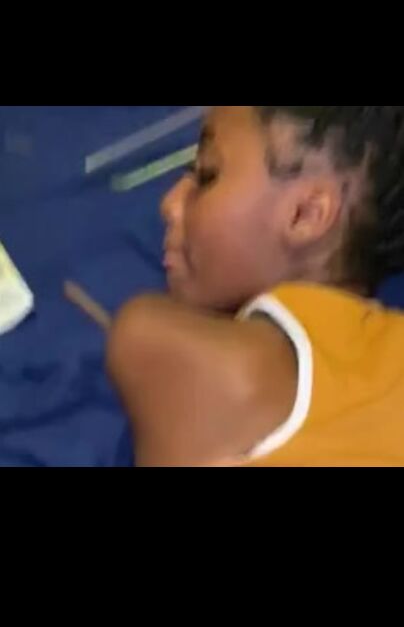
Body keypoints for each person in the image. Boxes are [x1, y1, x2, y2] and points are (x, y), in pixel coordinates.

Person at [107, 106, 404, 467]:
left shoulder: (171, 353)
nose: (169, 204)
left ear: (305, 214)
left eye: (206, 174)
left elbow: (141, 338)